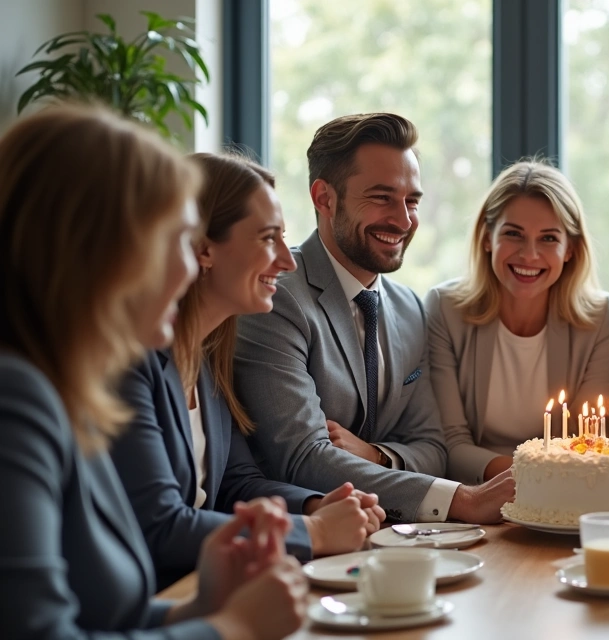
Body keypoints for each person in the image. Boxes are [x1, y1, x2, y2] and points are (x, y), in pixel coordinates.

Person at [0, 105, 306, 639]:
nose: (189, 267)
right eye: (174, 241)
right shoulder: (15, 397)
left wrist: (204, 603)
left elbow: (103, 619)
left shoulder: (68, 391)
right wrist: (230, 628)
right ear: (94, 250)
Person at [111, 153, 386, 590]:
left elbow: (234, 484)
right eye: (267, 238)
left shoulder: (206, 356)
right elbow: (160, 526)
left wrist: (315, 506)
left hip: (208, 585)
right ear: (203, 248)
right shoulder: (129, 365)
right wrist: (312, 533)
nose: (287, 260)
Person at [234, 113, 513, 524]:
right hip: (302, 543)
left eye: (412, 201)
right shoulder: (276, 296)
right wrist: (463, 501)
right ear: (324, 198)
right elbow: (303, 458)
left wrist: (376, 453)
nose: (403, 221)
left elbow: (432, 447)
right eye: (382, 197)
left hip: (399, 542)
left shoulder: (409, 308)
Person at [425, 160, 609, 484]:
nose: (529, 255)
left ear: (570, 249)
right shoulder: (445, 309)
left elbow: (587, 442)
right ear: (487, 237)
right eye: (513, 234)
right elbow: (448, 443)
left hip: (567, 494)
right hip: (474, 495)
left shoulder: (603, 319)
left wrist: (537, 478)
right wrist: (528, 475)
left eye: (548, 238)